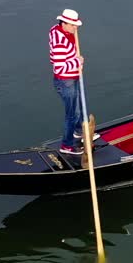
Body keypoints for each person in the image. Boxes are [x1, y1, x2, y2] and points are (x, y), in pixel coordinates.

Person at [50, 9, 85, 154]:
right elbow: (59, 67)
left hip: (72, 77)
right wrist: (78, 61)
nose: (75, 28)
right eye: (72, 25)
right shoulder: (60, 42)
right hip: (66, 81)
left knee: (78, 109)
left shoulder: (57, 29)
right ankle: (66, 145)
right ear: (63, 23)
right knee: (72, 115)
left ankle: (78, 132)